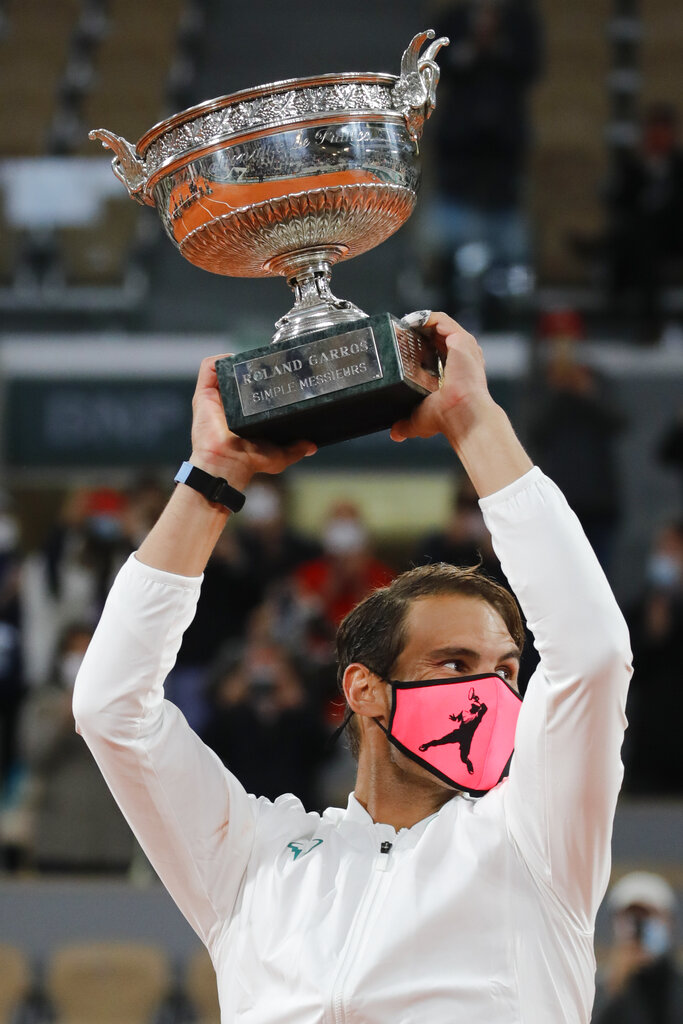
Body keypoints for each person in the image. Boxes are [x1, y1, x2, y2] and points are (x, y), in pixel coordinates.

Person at [73, 312, 632, 1022]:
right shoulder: (253, 859)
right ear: (363, 689)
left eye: (505, 670)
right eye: (453, 662)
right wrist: (214, 474)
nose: (487, 691)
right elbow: (111, 708)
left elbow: (592, 655)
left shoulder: (535, 839)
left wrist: (472, 421)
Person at [592, 872, 683, 1022]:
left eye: (648, 916)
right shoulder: (596, 988)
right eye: (632, 917)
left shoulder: (676, 987)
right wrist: (616, 989)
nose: (639, 928)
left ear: (669, 923)